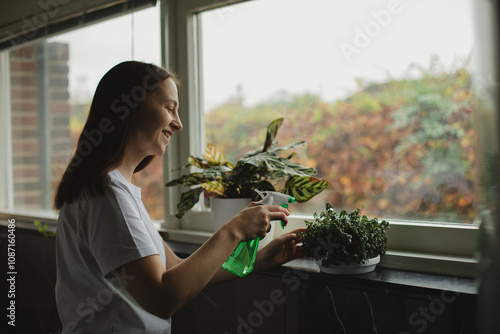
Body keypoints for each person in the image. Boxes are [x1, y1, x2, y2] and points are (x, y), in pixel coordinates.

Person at [54, 61, 304, 334]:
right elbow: (164, 297)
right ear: (131, 107)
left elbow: (177, 270)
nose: (179, 123)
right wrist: (234, 230)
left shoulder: (114, 189)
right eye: (169, 108)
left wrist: (260, 260)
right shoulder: (108, 194)